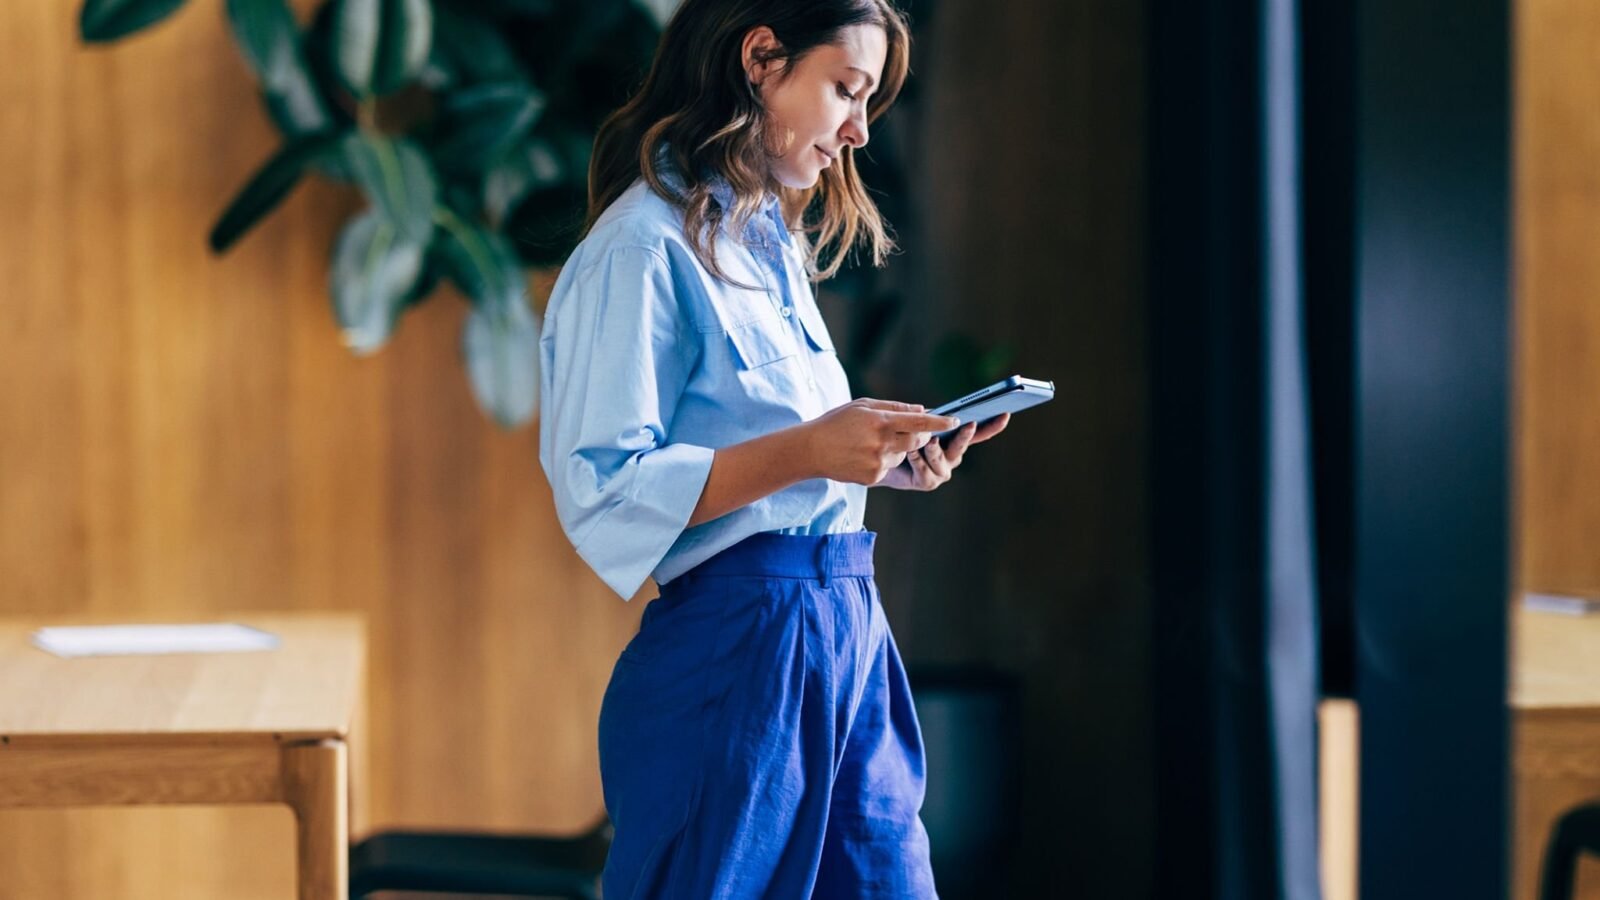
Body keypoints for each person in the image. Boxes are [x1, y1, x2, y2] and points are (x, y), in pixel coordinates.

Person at [537, 1, 1009, 896]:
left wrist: (881, 460)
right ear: (762, 59)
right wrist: (810, 453)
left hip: (848, 632)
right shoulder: (638, 249)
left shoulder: (767, 244)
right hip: (739, 654)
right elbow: (603, 488)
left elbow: (775, 451)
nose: (860, 130)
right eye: (846, 89)